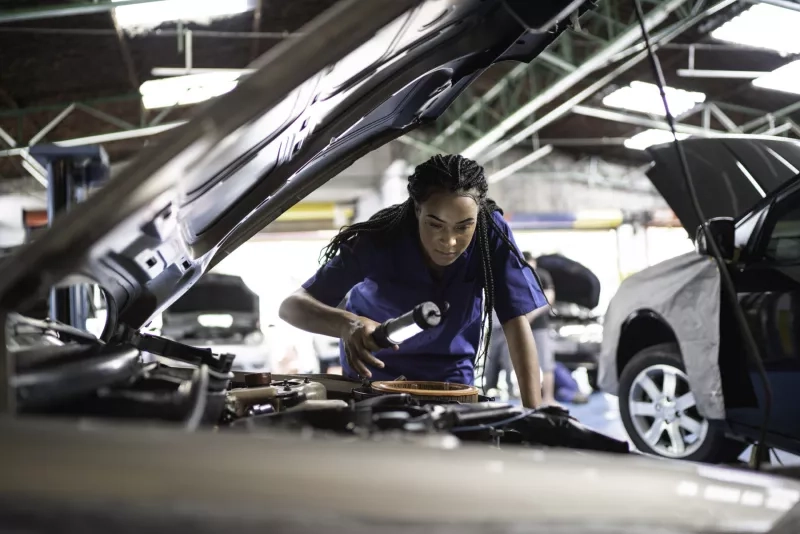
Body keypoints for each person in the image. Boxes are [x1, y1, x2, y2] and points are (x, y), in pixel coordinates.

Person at [279, 154, 548, 408]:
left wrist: (533, 414)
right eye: (435, 224)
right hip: (374, 380)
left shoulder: (490, 232)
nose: (450, 241)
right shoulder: (379, 238)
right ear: (417, 210)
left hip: (450, 383)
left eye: (464, 226)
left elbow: (515, 321)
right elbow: (292, 307)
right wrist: (347, 325)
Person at [523, 252, 558, 406]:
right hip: (525, 327)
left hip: (540, 326)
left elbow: (548, 299)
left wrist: (532, 315)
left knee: (546, 363)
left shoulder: (542, 275)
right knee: (528, 364)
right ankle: (532, 398)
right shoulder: (519, 275)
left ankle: (548, 398)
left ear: (533, 261)